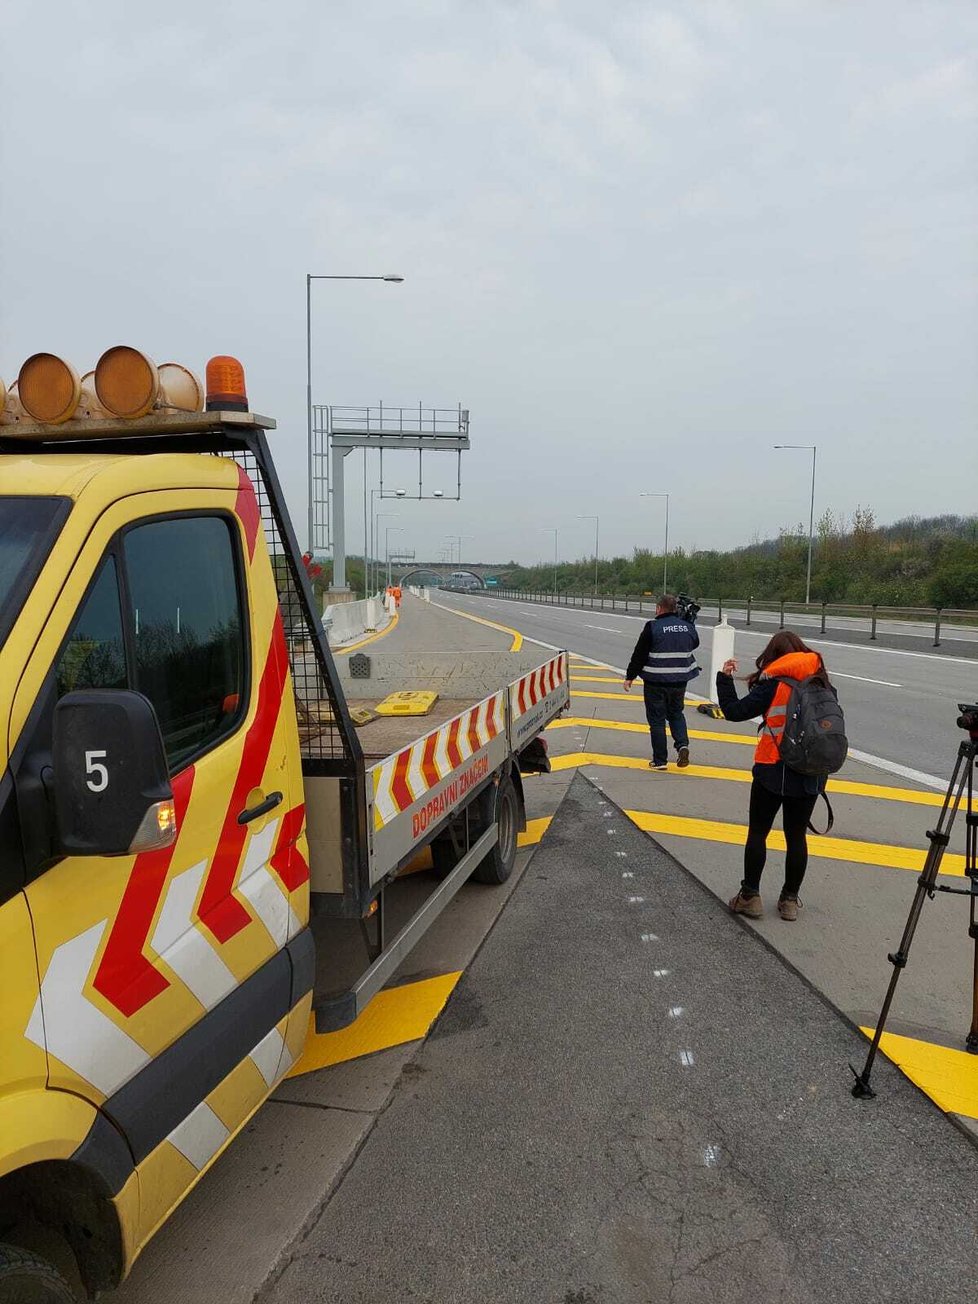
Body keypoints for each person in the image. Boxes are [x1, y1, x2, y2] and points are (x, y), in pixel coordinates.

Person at [715, 630, 831, 922]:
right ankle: (790, 901)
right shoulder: (822, 682)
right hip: (811, 772)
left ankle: (750, 896)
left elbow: (734, 711)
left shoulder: (774, 684)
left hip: (773, 768)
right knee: (796, 837)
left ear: (775, 656)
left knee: (758, 832)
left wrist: (724, 678)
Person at [624, 594, 699, 770]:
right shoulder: (688, 627)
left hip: (655, 681)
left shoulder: (653, 627)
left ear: (658, 609)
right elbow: (694, 643)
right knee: (676, 713)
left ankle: (660, 760)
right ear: (675, 609)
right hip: (680, 680)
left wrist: (630, 676)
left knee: (657, 720)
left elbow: (639, 654)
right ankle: (682, 745)